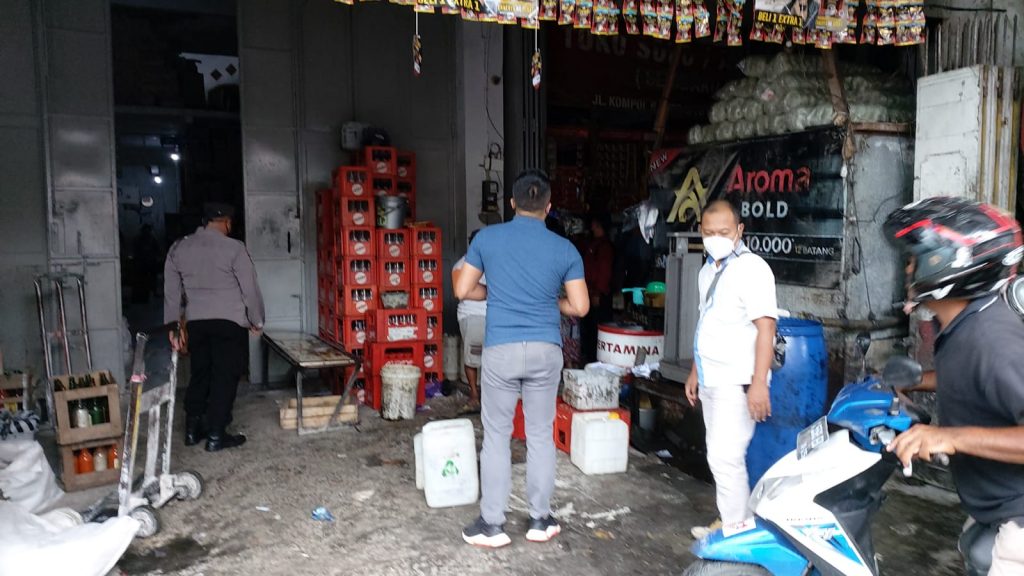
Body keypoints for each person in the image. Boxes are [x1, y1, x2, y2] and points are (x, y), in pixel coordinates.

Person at [883, 197, 1024, 575]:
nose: (908, 269)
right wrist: (916, 383)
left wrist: (949, 437)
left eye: (915, 259)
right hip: (993, 510)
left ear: (949, 264)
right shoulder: (965, 324)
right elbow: (976, 378)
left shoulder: (991, 339)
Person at [454, 170, 590, 548]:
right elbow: (580, 306)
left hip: (502, 349)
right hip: (546, 349)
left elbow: (462, 288)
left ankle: (492, 525)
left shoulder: (487, 239)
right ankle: (540, 520)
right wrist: (552, 302)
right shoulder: (565, 249)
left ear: (512, 203)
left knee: (497, 435)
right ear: (549, 206)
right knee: (540, 435)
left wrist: (494, 294)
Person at [684, 199, 778, 539]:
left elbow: (766, 328)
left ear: (739, 230)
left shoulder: (752, 269)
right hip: (712, 379)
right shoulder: (707, 271)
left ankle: (736, 533)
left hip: (737, 381)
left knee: (726, 459)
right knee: (720, 456)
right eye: (709, 232)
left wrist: (759, 383)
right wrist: (696, 371)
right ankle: (734, 522)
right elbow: (706, 323)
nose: (716, 238)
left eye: (723, 232)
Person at [164, 202, 265, 453]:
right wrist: (256, 320)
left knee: (200, 372)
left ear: (205, 221)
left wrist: (174, 326)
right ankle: (216, 435)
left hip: (196, 323)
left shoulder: (179, 247)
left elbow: (171, 292)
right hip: (229, 324)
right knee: (224, 376)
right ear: (227, 223)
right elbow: (250, 290)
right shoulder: (235, 248)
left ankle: (192, 430)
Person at [452, 229, 487, 413]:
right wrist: (487, 291)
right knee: (473, 358)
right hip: (473, 316)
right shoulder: (461, 266)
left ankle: (488, 397)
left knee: (493, 359)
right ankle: (474, 395)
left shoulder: (492, 263)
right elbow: (462, 292)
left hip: (494, 316)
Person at [581, 214, 615, 364]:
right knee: (589, 329)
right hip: (589, 292)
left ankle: (596, 361)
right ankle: (590, 359)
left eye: (594, 224)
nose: (592, 227)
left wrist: (597, 293)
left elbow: (604, 271)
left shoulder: (604, 247)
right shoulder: (595, 244)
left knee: (596, 330)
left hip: (598, 295)